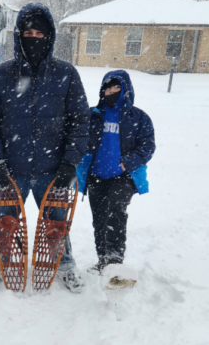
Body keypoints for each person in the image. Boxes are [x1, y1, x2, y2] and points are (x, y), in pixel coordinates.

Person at [0, 3, 90, 293]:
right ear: (18, 36)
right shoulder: (2, 75)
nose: (34, 37)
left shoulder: (66, 73)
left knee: (56, 226)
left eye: (40, 32)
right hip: (11, 171)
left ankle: (63, 266)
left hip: (54, 172)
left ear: (49, 36)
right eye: (28, 32)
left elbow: (80, 121)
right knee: (5, 224)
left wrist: (70, 163)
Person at [76, 70, 156, 275]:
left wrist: (127, 163)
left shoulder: (138, 117)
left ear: (126, 90)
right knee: (99, 218)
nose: (111, 91)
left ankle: (114, 262)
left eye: (116, 87)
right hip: (96, 176)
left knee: (116, 213)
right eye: (108, 87)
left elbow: (147, 146)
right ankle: (102, 259)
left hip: (123, 177)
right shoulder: (92, 115)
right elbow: (75, 137)